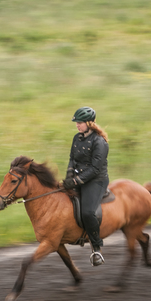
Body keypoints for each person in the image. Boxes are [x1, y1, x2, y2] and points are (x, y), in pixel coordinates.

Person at [61, 106, 110, 266]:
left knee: (88, 212)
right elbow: (72, 158)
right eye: (76, 123)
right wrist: (69, 175)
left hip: (96, 181)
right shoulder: (77, 138)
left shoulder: (99, 142)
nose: (77, 125)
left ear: (89, 123)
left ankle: (96, 248)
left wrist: (75, 181)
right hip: (78, 177)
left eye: (80, 122)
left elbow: (95, 169)